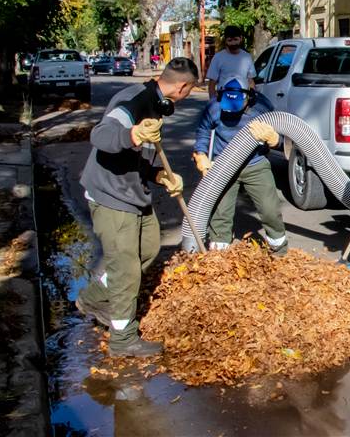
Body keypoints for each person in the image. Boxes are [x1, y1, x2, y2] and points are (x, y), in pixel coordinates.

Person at [74, 57, 200, 357]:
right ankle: (122, 339)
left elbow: (144, 155)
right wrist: (131, 134)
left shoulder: (157, 105)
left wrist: (162, 176)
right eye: (190, 91)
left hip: (134, 192)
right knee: (126, 269)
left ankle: (93, 297)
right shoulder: (132, 101)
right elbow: (101, 136)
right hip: (112, 195)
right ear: (182, 87)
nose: (186, 97)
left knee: (148, 249)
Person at [192, 77, 288, 254]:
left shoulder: (262, 107)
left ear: (249, 99)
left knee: (270, 210)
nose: (231, 113)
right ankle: (219, 256)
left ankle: (279, 250)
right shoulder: (214, 107)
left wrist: (275, 140)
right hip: (223, 165)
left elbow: (284, 133)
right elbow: (203, 131)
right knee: (220, 214)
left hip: (255, 164)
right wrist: (201, 154)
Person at [206, 25, 256, 97]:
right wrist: (213, 101)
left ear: (241, 38)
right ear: (225, 41)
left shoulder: (247, 57)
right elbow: (212, 83)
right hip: (223, 102)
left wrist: (252, 98)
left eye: (235, 39)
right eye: (230, 40)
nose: (233, 43)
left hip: (243, 102)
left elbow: (250, 81)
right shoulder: (218, 57)